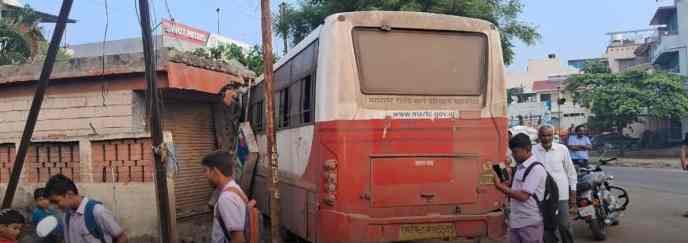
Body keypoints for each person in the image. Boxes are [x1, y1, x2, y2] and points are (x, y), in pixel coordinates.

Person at [494, 133, 547, 243]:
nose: (513, 155)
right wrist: (505, 180)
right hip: (517, 221)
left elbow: (523, 196)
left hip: (529, 223)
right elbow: (514, 188)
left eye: (516, 152)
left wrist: (499, 187)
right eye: (512, 152)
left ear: (527, 149)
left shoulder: (536, 169)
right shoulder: (521, 167)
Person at [44, 175, 127, 243]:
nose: (55, 206)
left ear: (69, 194)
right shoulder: (66, 216)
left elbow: (122, 237)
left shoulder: (97, 211)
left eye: (56, 201)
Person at [534, 125, 577, 243]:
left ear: (553, 136)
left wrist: (573, 198)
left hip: (561, 195)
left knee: (564, 225)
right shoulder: (533, 151)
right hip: (541, 196)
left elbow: (571, 173)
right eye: (543, 135)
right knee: (546, 227)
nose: (546, 138)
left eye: (549, 135)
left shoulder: (562, 149)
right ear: (539, 136)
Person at [202, 151, 247, 243]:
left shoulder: (226, 198)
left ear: (215, 171)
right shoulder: (235, 188)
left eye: (205, 170)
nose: (204, 175)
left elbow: (238, 240)